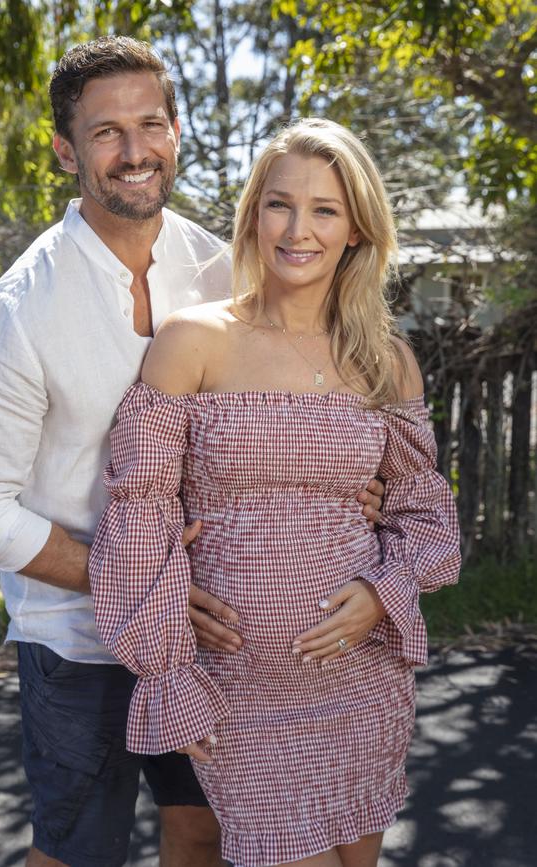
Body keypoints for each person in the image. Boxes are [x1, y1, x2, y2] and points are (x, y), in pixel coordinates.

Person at [0, 38, 384, 867]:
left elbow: (288, 407)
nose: (134, 150)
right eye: (106, 133)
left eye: (151, 124)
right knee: (80, 848)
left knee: (205, 828)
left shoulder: (221, 268)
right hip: (79, 637)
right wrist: (139, 580)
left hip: (216, 632)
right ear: (67, 151)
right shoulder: (15, 314)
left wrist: (357, 494)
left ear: (177, 133)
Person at [89, 117, 461, 867]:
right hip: (241, 695)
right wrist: (168, 671)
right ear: (254, 212)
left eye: (325, 209)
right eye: (280, 204)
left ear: (356, 228)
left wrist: (384, 590)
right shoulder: (194, 341)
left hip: (362, 682)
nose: (299, 229)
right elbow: (138, 516)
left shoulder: (386, 361)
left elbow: (428, 520)